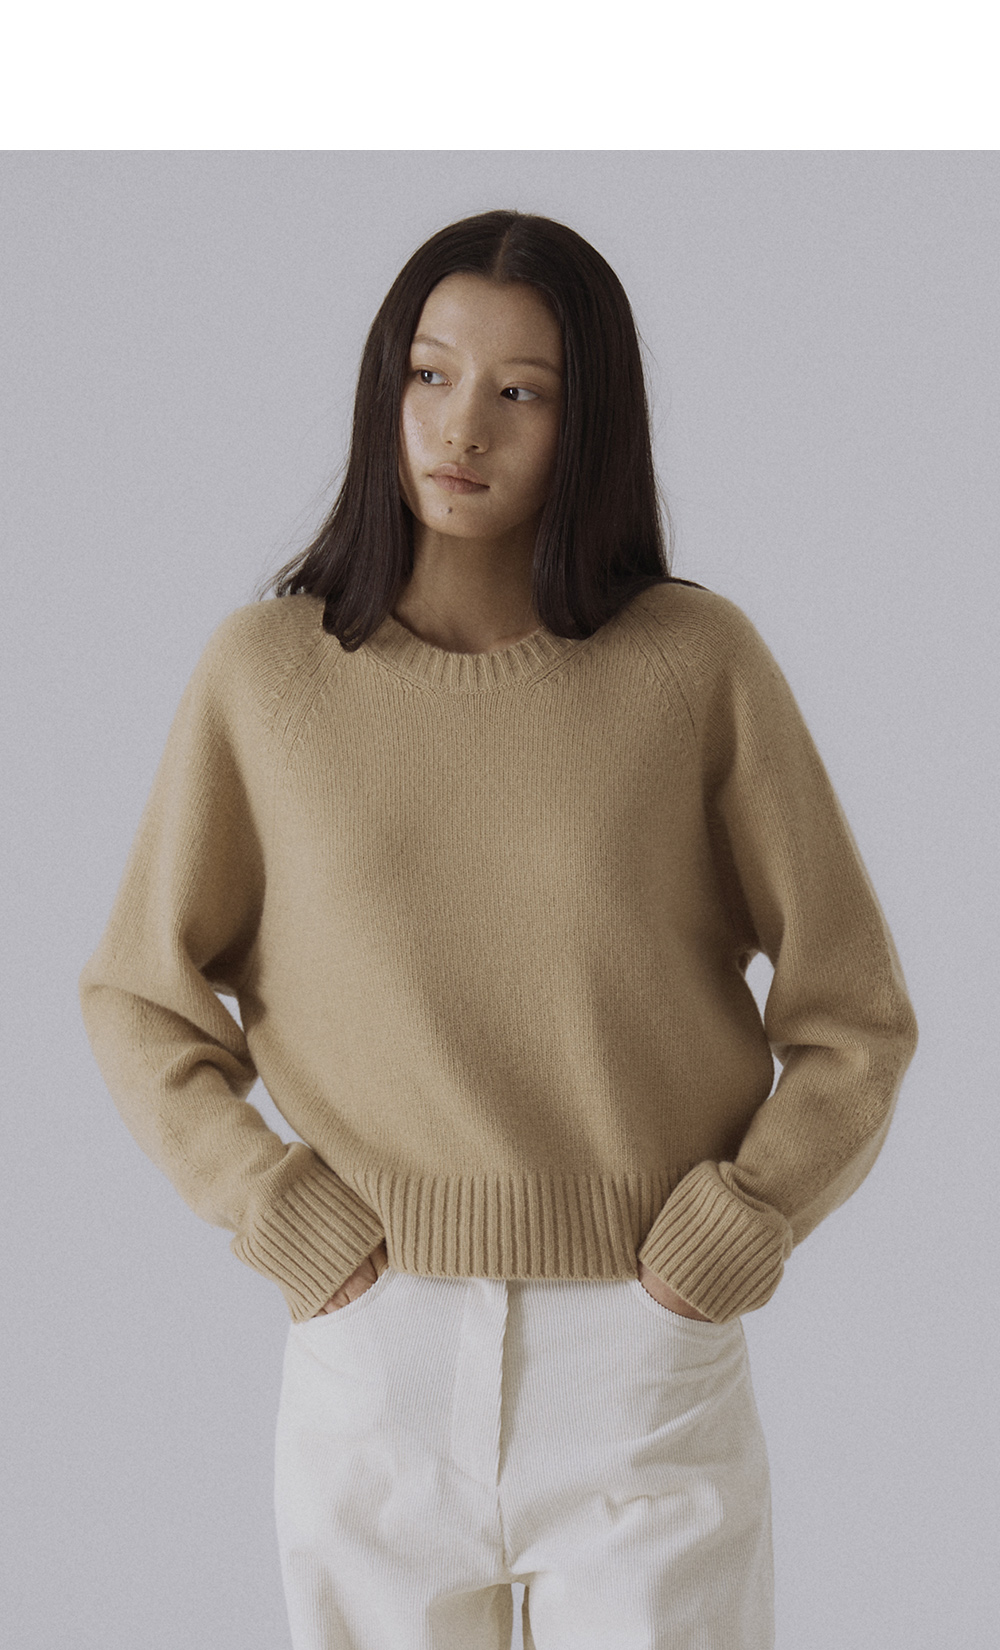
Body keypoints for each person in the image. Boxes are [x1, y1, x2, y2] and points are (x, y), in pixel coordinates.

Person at [79, 209, 919, 1650]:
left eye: (521, 391)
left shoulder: (694, 665)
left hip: (642, 1352)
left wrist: (741, 1222)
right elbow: (138, 996)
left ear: (590, 423)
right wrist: (276, 1209)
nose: (462, 426)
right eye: (430, 373)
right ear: (385, 388)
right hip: (375, 1349)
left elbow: (855, 1014)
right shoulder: (267, 676)